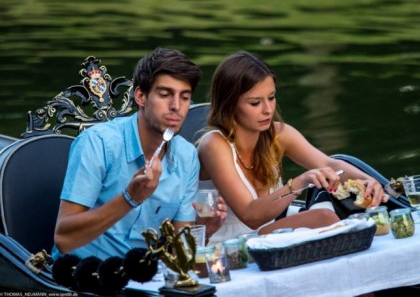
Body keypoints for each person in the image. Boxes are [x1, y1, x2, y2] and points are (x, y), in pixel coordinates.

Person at [52, 47, 226, 260]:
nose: (176, 106)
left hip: (148, 279)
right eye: (165, 95)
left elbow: (178, 253)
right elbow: (64, 240)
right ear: (141, 96)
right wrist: (129, 198)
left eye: (185, 97)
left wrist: (203, 232)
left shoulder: (187, 156)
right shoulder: (98, 143)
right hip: (84, 276)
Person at [197, 51, 387, 244]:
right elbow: (250, 215)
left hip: (270, 235)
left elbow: (329, 163)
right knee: (323, 218)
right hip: (227, 248)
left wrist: (368, 180)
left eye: (271, 97)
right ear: (229, 104)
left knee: (338, 215)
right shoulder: (214, 145)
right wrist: (301, 181)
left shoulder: (278, 134)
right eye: (255, 102)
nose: (268, 110)